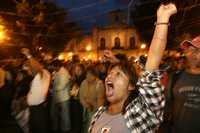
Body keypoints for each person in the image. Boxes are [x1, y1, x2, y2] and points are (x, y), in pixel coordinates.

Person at [88, 3, 177, 133]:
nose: (110, 76)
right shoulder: (98, 115)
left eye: (118, 74)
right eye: (110, 73)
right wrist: (118, 62)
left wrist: (162, 21)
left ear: (131, 85)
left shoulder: (140, 115)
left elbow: (151, 66)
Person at [163, 35, 200, 133]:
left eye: (197, 51)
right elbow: (166, 108)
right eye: (189, 50)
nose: (192, 54)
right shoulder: (175, 78)